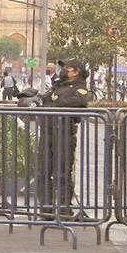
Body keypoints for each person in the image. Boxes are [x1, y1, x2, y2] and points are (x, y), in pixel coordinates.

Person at [38, 59, 92, 219]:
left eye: (66, 68)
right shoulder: (57, 86)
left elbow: (78, 103)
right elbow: (46, 101)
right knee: (43, 171)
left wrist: (53, 105)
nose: (62, 70)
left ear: (75, 71)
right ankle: (46, 210)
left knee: (62, 173)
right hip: (48, 132)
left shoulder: (80, 89)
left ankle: (63, 210)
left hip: (64, 134)